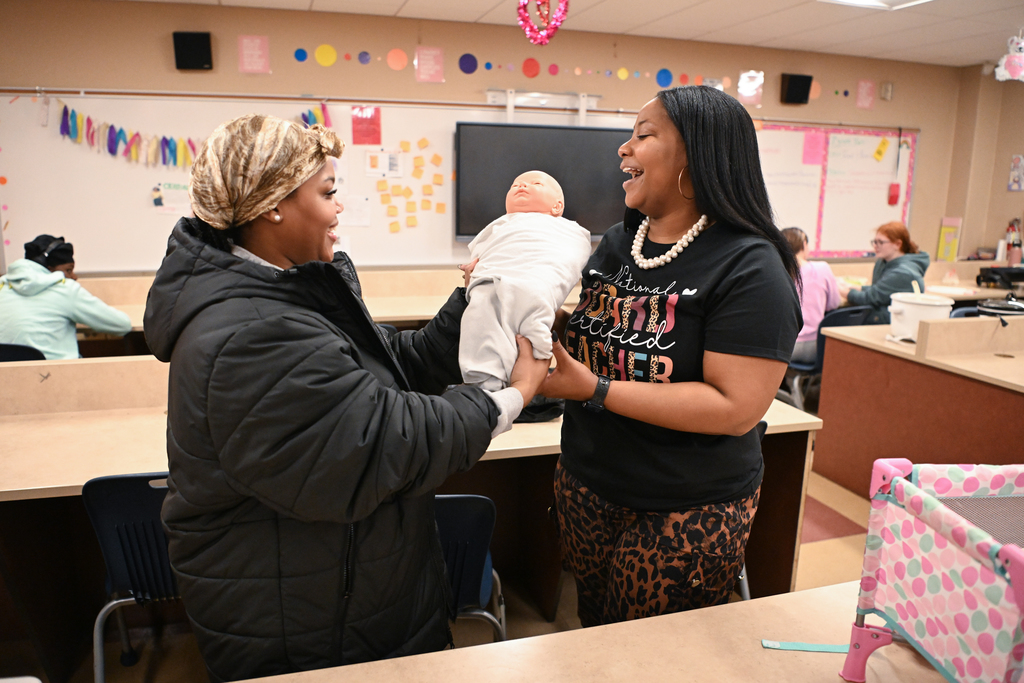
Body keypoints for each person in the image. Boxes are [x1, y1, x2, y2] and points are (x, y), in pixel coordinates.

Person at [142, 114, 549, 681]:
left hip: (331, 591)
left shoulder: (286, 292)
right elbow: (388, 437)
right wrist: (511, 396)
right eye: (328, 192)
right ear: (272, 206)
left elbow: (392, 364)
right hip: (307, 624)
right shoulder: (253, 331)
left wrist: (467, 303)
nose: (339, 211)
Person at [540, 86, 801, 627]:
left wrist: (595, 389)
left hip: (685, 507)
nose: (623, 148)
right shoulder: (619, 241)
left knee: (641, 657)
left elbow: (735, 407)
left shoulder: (750, 266)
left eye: (644, 135)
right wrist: (524, 309)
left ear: (695, 153)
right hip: (588, 481)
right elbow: (603, 332)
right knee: (594, 633)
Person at [460, 170, 591, 391]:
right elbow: (482, 251)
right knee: (479, 317)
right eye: (515, 185)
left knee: (533, 306)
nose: (521, 186)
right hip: (495, 280)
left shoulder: (569, 230)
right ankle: (483, 382)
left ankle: (535, 359)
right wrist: (478, 272)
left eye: (535, 183)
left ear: (557, 207)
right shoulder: (500, 225)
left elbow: (574, 253)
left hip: (535, 280)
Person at [0, 235, 132, 359]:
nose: (74, 277)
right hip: (57, 377)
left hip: (9, 378)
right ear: (50, 269)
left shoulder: (2, 288)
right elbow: (122, 325)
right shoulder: (64, 289)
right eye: (68, 270)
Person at [837, 221, 929, 324]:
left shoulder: (903, 273)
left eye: (881, 242)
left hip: (893, 324)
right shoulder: (883, 262)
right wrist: (854, 287)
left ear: (897, 244)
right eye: (875, 242)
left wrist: (840, 290)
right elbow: (880, 289)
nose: (876, 246)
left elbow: (871, 298)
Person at [781, 227, 840, 364]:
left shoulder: (777, 271)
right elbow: (834, 304)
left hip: (785, 348)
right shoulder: (822, 268)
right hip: (816, 346)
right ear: (804, 245)